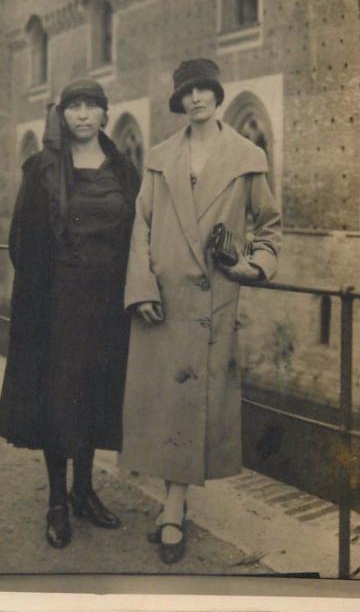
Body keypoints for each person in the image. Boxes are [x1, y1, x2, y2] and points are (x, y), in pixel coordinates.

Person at [120, 59, 282, 564]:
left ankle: (173, 507)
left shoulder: (245, 155)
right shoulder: (161, 156)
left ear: (216, 94)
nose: (196, 99)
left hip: (213, 299)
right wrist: (141, 286)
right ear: (180, 102)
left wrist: (254, 267)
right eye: (187, 93)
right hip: (163, 304)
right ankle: (173, 503)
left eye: (204, 90)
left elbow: (270, 226)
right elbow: (141, 226)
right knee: (167, 405)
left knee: (193, 405)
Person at [0, 78, 140, 549]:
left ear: (104, 114)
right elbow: (21, 239)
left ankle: (84, 490)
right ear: (63, 116)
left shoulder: (123, 169)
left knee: (97, 393)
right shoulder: (41, 169)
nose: (82, 115)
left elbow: (139, 232)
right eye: (73, 107)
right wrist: (47, 289)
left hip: (110, 302)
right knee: (59, 398)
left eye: (90, 107)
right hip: (58, 305)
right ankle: (57, 500)